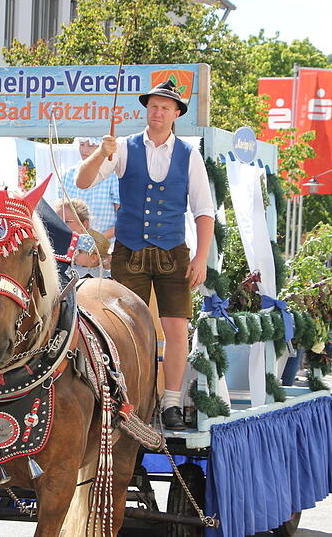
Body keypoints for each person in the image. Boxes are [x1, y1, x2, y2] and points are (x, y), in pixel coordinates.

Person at [76, 79, 215, 429]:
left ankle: (170, 403)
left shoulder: (189, 154)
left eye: (165, 107)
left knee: (176, 328)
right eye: (153, 105)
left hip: (173, 252)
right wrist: (99, 152)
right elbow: (82, 181)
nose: (158, 112)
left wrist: (201, 258)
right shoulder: (122, 146)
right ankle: (126, 400)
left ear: (176, 114)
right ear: (146, 109)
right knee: (122, 328)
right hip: (130, 251)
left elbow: (203, 210)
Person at [60, 137, 120, 240]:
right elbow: (62, 214)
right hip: (73, 244)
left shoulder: (113, 175)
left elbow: (124, 217)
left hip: (106, 245)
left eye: (91, 145)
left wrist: (98, 240)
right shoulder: (68, 174)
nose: (85, 150)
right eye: (82, 144)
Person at [55, 199, 111, 277]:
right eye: (57, 221)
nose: (60, 226)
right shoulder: (52, 246)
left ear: (84, 224)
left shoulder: (93, 247)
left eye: (66, 222)